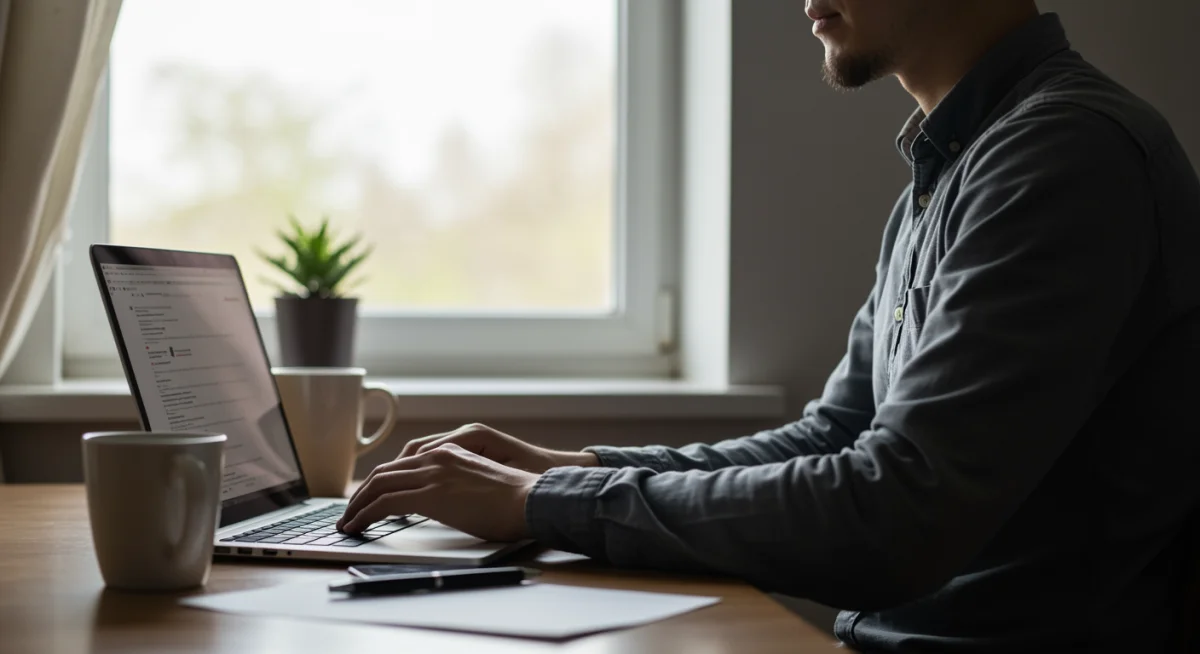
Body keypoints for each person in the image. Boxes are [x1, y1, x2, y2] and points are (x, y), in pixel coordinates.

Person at [338, 1, 1200, 651]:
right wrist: (578, 467)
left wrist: (542, 502)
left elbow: (896, 513)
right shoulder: (952, 173)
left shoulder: (1066, 155)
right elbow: (837, 436)